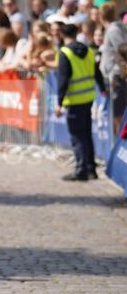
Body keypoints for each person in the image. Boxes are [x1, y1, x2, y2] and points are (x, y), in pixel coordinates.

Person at [55, 23, 106, 181]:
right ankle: (91, 168)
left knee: (77, 136)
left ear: (62, 35)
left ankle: (81, 170)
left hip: (74, 99)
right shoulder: (89, 51)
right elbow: (97, 72)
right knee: (86, 134)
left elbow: (63, 80)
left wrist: (59, 103)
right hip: (88, 97)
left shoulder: (65, 53)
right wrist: (102, 88)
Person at [99, 2, 127, 134]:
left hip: (116, 75)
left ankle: (119, 142)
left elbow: (122, 49)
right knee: (115, 112)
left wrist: (118, 70)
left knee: (118, 112)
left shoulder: (114, 30)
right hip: (114, 74)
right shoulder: (113, 29)